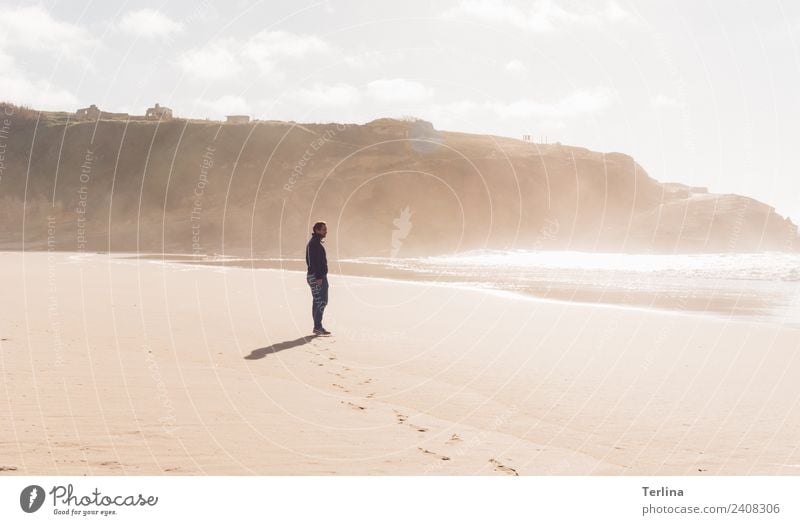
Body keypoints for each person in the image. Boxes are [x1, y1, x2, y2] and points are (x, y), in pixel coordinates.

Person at [306, 221, 331, 336]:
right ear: (317, 230)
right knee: (322, 300)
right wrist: (318, 276)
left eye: (325, 229)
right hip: (317, 276)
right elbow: (312, 262)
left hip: (317, 276)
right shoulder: (313, 244)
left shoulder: (316, 243)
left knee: (318, 301)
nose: (326, 231)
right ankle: (317, 326)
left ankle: (317, 326)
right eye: (324, 229)